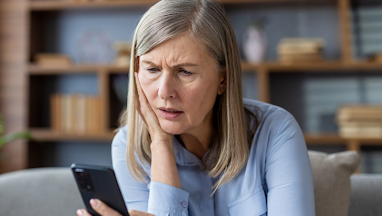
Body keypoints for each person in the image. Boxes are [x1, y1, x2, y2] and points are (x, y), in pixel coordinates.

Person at [77, 0, 315, 215]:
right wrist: (161, 144)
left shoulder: (276, 131)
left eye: (185, 71)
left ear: (223, 79)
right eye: (152, 69)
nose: (164, 91)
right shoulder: (129, 145)